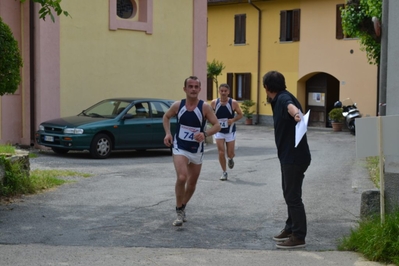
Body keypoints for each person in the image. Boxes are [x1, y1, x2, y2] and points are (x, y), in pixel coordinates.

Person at [163, 76, 221, 226]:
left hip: (196, 149)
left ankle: (183, 205)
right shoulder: (178, 105)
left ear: (200, 89)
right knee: (182, 177)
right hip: (180, 147)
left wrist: (205, 134)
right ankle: (178, 210)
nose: (193, 89)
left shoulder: (204, 107)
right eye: (190, 86)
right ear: (185, 89)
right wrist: (168, 133)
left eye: (196, 87)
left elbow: (217, 125)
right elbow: (166, 116)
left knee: (192, 183)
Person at [262, 71, 311, 249]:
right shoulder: (283, 96)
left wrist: (296, 114)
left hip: (293, 157)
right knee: (289, 193)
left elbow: (291, 108)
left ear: (266, 88)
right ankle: (290, 228)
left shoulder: (283, 99)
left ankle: (298, 236)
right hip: (292, 156)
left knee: (292, 196)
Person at [210, 84, 243, 181]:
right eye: (222, 91)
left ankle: (230, 159)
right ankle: (224, 172)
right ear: (219, 92)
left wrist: (232, 120)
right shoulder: (214, 103)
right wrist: (213, 121)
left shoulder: (233, 103)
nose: (223, 93)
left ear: (228, 92)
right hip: (219, 131)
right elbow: (209, 114)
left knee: (230, 153)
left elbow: (240, 115)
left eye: (225, 91)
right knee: (221, 152)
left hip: (230, 131)